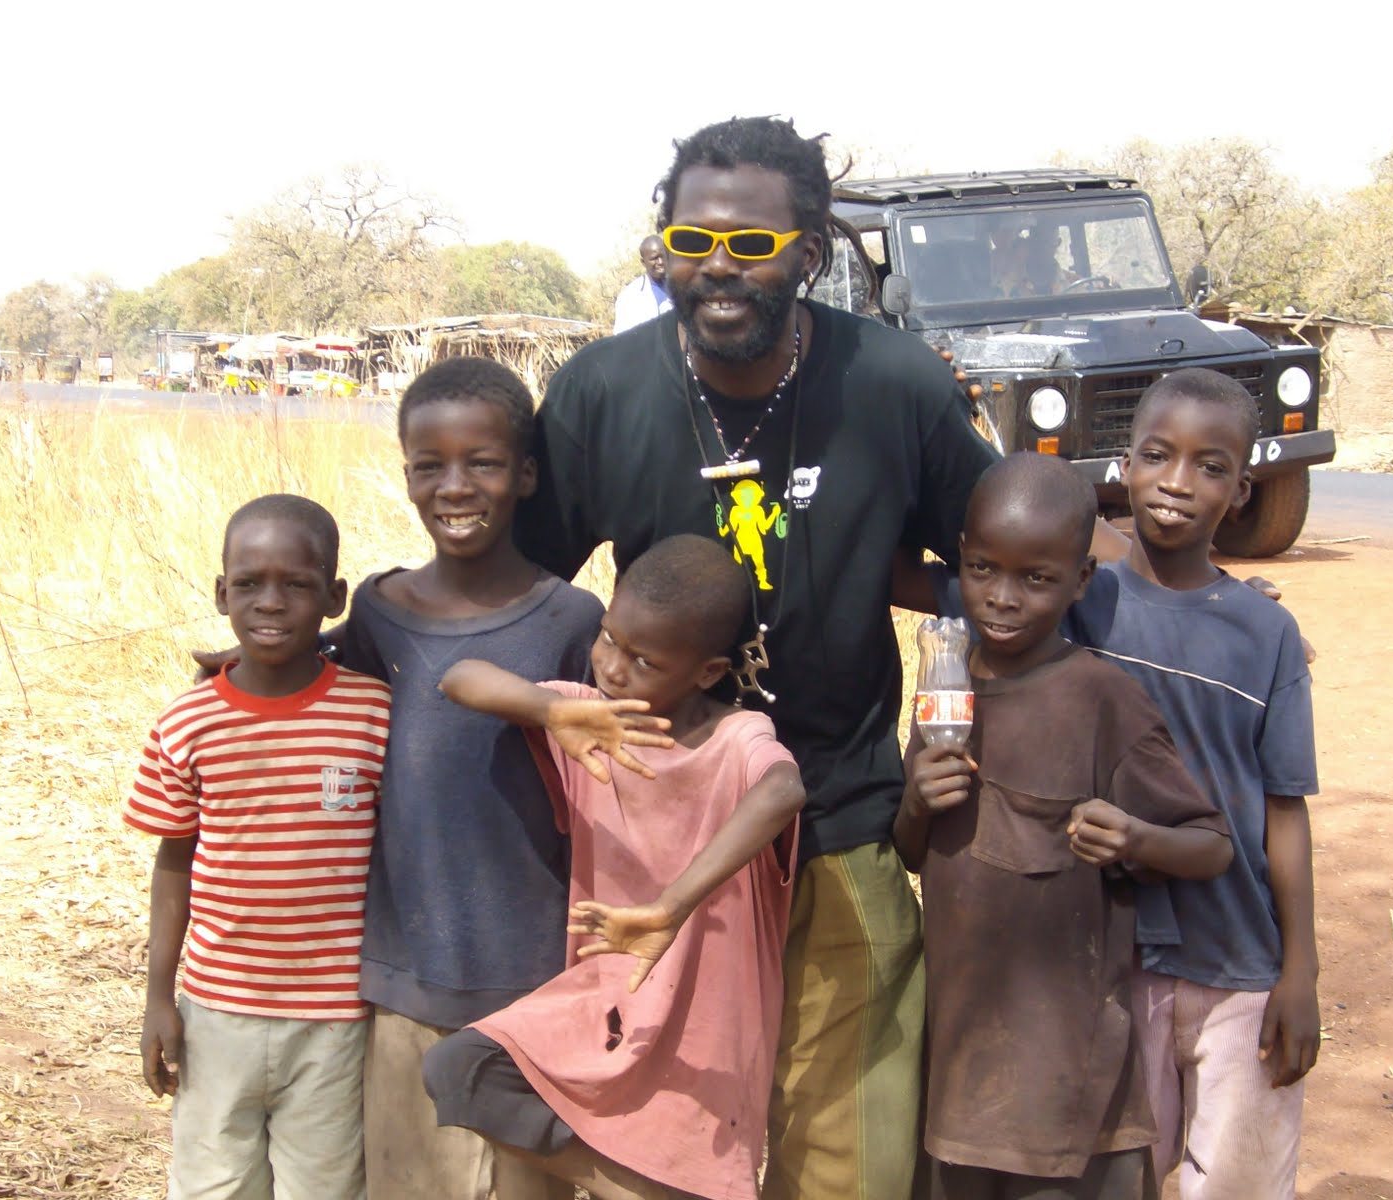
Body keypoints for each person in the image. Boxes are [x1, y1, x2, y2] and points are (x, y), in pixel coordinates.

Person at [513, 115, 1001, 1200]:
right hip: (660, 830)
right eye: (692, 242)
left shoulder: (893, 385)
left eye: (750, 243)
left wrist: (1163, 592)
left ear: (810, 253)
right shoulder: (601, 393)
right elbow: (521, 590)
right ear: (661, 252)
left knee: (853, 1158)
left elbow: (1003, 552)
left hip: (838, 813)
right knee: (663, 1140)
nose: (719, 267)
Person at [422, 534, 805, 1200]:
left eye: (643, 660)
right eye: (607, 638)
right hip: (609, 1002)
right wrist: (551, 710)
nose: (612, 667)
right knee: (461, 1072)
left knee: (693, 1165)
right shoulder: (587, 720)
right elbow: (459, 678)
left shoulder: (736, 739)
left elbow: (783, 791)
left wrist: (670, 908)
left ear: (708, 672)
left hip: (708, 1025)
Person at [893, 455, 1233, 1200]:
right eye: (982, 569)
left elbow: (1211, 845)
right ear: (960, 558)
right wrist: (916, 802)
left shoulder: (1101, 699)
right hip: (960, 1067)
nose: (1002, 597)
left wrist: (1135, 839)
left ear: (1080, 580)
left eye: (1037, 579)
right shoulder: (947, 684)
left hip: (1069, 1081)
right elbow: (917, 853)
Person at [325, 357, 606, 1200]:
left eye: (482, 463)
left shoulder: (573, 619)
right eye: (429, 466)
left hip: (537, 984)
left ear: (526, 475)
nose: (454, 487)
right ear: (406, 473)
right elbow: (319, 692)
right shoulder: (378, 613)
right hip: (406, 978)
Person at [1071, 369, 1321, 1199]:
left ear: (1242, 489)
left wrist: (1300, 972)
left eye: (1210, 467)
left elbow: (1284, 807)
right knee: (1117, 1178)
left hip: (1240, 962)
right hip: (1119, 958)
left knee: (1239, 1182)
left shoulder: (1267, 633)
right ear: (1124, 466)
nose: (1177, 483)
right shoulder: (1082, 602)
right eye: (1157, 456)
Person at [126, 494, 392, 1200]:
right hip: (217, 1010)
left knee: (325, 1187)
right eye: (248, 584)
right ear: (222, 594)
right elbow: (173, 862)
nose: (270, 603)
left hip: (335, 1017)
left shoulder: (372, 713)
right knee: (214, 1183)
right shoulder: (188, 723)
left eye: (296, 584)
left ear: (335, 597)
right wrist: (158, 998)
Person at [612, 235, 672, 333]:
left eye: (663, 256)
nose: (660, 262)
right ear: (643, 262)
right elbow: (622, 337)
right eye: (654, 258)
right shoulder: (629, 297)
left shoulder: (679, 287)